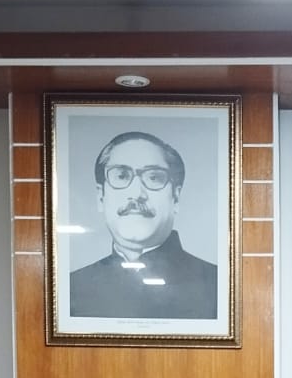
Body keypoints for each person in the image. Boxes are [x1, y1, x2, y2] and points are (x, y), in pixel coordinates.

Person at [68, 130, 218, 320]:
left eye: (153, 177)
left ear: (176, 197)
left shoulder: (217, 285)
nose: (137, 193)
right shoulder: (72, 288)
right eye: (121, 176)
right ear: (101, 197)